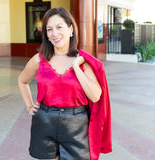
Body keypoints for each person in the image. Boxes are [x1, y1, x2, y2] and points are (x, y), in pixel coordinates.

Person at [18, 7, 112, 160]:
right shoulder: (38, 59)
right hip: (44, 121)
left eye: (59, 27)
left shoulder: (83, 61)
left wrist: (76, 68)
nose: (54, 33)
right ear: (46, 34)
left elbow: (95, 96)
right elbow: (22, 81)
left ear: (71, 29)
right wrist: (29, 106)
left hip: (76, 125)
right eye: (49, 29)